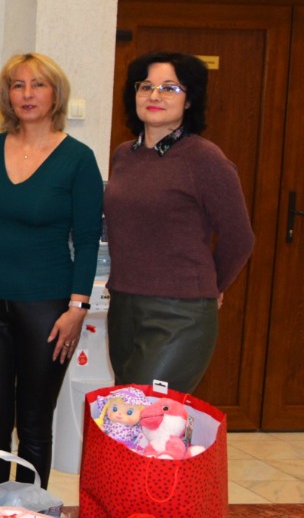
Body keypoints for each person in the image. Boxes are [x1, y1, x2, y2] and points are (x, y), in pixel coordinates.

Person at [0, 53, 102, 491]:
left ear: (55, 95)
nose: (27, 94)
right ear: (7, 95)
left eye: (38, 85)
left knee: (34, 424)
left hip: (47, 309)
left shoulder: (78, 158)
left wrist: (78, 307)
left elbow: (87, 240)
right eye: (17, 85)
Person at [103, 53, 253, 392]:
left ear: (189, 100)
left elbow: (240, 237)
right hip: (124, 305)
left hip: (180, 313)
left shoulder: (204, 159)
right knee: (126, 410)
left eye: (169, 88)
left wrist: (212, 286)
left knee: (148, 412)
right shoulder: (125, 154)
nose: (154, 95)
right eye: (146, 87)